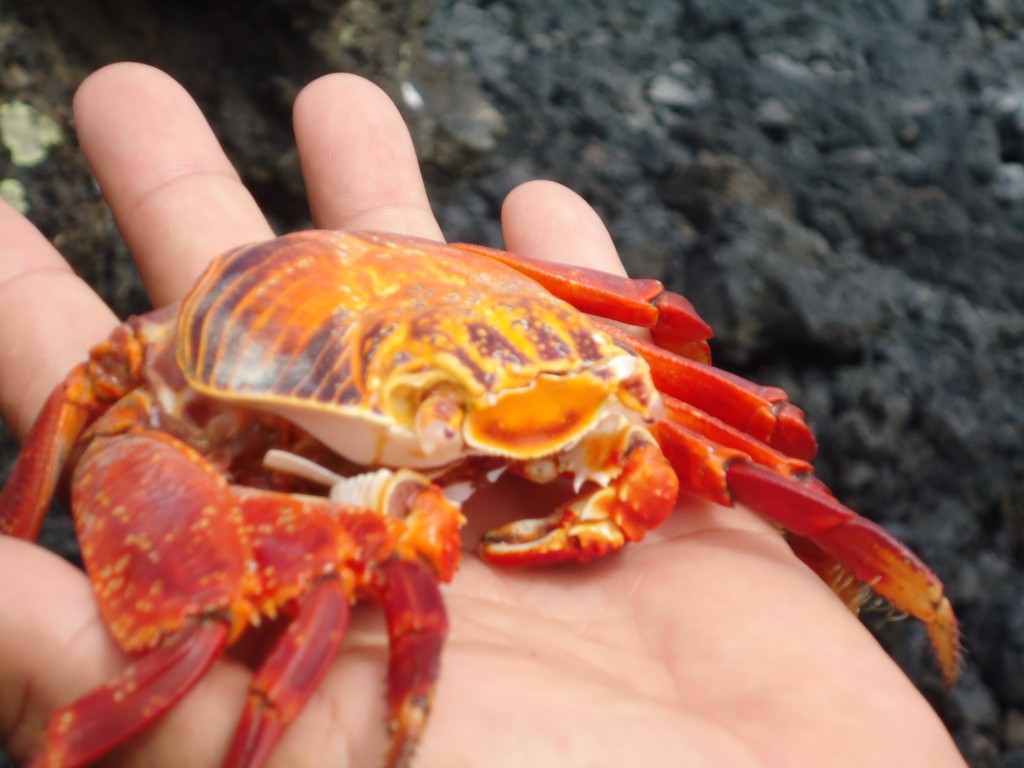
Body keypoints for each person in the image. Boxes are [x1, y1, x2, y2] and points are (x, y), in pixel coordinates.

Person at [0, 63, 965, 767]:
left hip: (478, 305)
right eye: (448, 414)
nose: (488, 444)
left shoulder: (580, 372)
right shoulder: (176, 382)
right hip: (287, 332)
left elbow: (723, 388)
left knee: (740, 439)